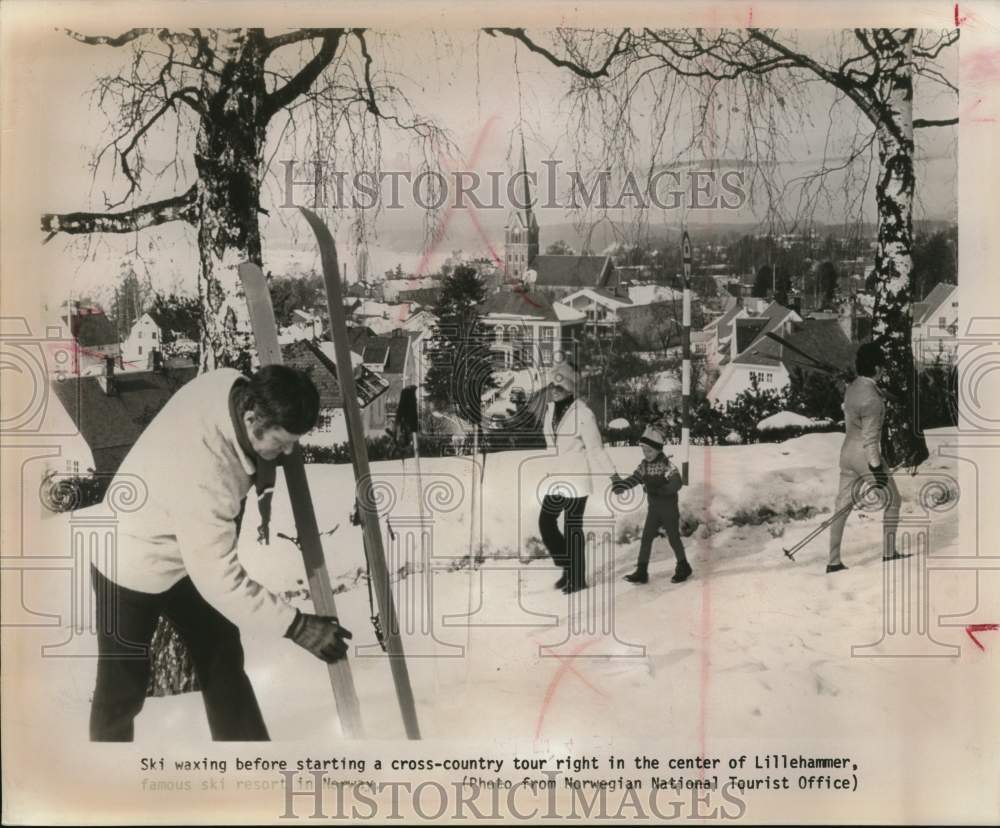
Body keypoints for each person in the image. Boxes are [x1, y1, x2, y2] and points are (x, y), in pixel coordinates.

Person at [89, 365, 353, 741]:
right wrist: (297, 627)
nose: (288, 452)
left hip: (179, 546)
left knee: (220, 651)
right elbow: (219, 579)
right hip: (127, 560)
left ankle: (246, 759)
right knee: (122, 687)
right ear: (251, 418)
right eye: (281, 442)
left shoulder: (230, 385)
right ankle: (105, 771)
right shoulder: (206, 474)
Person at [539, 360, 617, 594]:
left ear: (570, 387)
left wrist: (613, 475)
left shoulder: (583, 413)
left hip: (577, 477)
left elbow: (596, 449)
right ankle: (568, 566)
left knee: (572, 527)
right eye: (552, 386)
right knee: (546, 522)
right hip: (557, 478)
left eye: (559, 386)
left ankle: (577, 579)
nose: (554, 390)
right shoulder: (550, 411)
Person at [827, 342, 904, 573]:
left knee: (842, 506)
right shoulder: (872, 398)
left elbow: (861, 392)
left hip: (847, 453)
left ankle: (833, 562)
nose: (884, 370)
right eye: (882, 366)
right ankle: (889, 553)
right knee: (893, 501)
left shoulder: (851, 387)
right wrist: (876, 467)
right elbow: (870, 439)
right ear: (877, 368)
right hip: (865, 455)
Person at [611, 425, 691, 585]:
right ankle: (641, 571)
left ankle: (683, 566)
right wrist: (622, 486)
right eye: (643, 450)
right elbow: (635, 478)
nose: (646, 454)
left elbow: (677, 482)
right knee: (646, 538)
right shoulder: (644, 466)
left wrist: (662, 490)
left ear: (658, 449)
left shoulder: (666, 464)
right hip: (653, 510)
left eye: (649, 451)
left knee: (673, 538)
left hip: (668, 508)